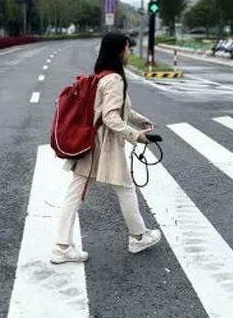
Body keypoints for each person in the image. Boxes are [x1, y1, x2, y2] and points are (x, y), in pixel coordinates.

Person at [51, 32, 164, 264]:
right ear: (119, 51)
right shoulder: (114, 79)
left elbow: (117, 109)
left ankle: (62, 247)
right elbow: (111, 117)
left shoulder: (101, 76)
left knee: (77, 193)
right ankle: (138, 237)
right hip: (102, 147)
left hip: (91, 144)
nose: (129, 52)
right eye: (128, 48)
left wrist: (139, 120)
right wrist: (137, 136)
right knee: (124, 188)